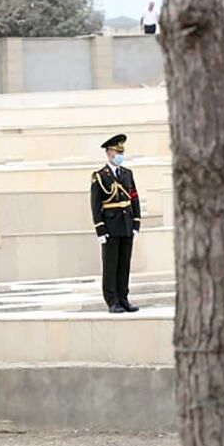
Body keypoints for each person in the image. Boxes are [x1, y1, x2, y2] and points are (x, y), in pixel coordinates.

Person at [90, 134, 141, 313]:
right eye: (116, 151)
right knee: (111, 265)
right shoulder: (99, 176)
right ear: (109, 153)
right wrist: (100, 229)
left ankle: (123, 298)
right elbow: (96, 205)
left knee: (124, 264)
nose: (120, 155)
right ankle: (112, 300)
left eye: (122, 151)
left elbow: (134, 198)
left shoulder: (127, 174)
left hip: (126, 224)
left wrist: (136, 223)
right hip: (111, 227)